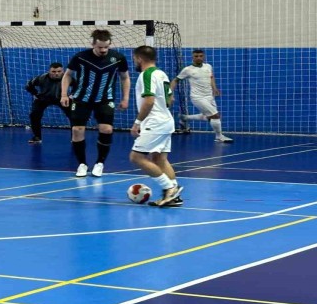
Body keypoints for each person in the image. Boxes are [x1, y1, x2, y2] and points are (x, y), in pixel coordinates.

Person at [60, 29, 130, 177]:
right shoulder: (80, 57)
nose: (103, 50)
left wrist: (125, 98)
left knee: (107, 129)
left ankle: (100, 163)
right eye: (100, 47)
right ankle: (82, 164)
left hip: (105, 99)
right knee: (77, 130)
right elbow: (67, 75)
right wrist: (64, 94)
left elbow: (125, 77)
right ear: (93, 44)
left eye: (106, 47)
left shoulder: (118, 58)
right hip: (81, 98)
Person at [129, 45, 183, 207]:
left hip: (155, 123)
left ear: (139, 58)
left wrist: (138, 122)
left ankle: (169, 188)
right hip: (166, 120)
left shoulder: (147, 74)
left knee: (136, 157)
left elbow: (149, 101)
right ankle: (174, 196)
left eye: (134, 59)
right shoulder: (161, 74)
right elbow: (170, 100)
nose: (134, 61)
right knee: (159, 159)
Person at [170, 49, 232, 143]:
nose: (199, 58)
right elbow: (175, 80)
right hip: (197, 97)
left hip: (209, 96)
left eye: (201, 56)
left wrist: (214, 88)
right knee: (215, 116)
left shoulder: (208, 66)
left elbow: (211, 77)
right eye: (196, 56)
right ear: (192, 57)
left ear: (204, 56)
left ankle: (184, 118)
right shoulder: (188, 69)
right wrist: (170, 94)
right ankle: (219, 137)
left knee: (208, 117)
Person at [25, 62, 71, 144]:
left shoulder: (67, 78)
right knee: (34, 114)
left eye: (59, 71)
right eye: (53, 71)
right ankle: (37, 137)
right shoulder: (41, 78)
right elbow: (28, 85)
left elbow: (78, 87)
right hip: (43, 99)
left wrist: (71, 96)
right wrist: (35, 94)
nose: (56, 73)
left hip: (62, 99)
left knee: (74, 115)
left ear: (63, 71)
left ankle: (75, 138)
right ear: (49, 71)